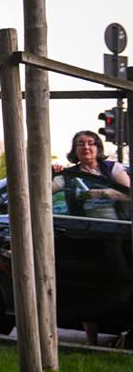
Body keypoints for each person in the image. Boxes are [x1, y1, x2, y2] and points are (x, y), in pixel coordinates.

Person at [53, 130, 130, 345]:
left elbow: (128, 192)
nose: (86, 147)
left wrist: (102, 193)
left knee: (122, 281)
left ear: (98, 147)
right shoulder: (69, 174)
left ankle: (123, 330)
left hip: (117, 233)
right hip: (85, 236)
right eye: (81, 144)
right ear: (75, 149)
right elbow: (46, 190)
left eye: (90, 143)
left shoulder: (112, 168)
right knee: (89, 288)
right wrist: (49, 172)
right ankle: (92, 342)